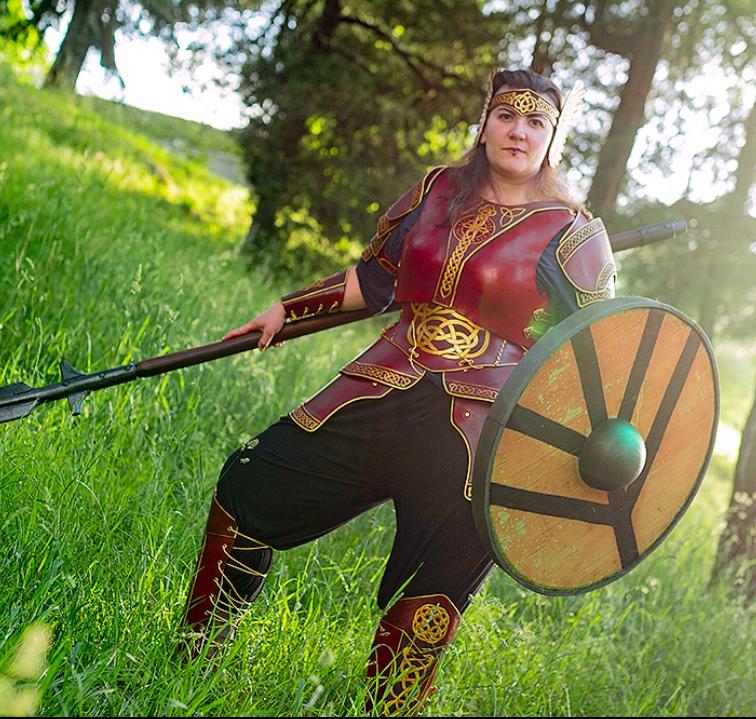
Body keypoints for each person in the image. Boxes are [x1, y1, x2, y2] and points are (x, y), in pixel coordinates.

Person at [179, 68, 616, 716]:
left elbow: (592, 358)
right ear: (484, 124)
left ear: (553, 138)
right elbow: (375, 277)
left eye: (535, 122)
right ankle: (191, 666)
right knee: (249, 486)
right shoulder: (436, 192)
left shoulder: (572, 232)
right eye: (505, 115)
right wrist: (287, 309)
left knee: (431, 590)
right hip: (381, 388)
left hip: (480, 433)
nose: (517, 132)